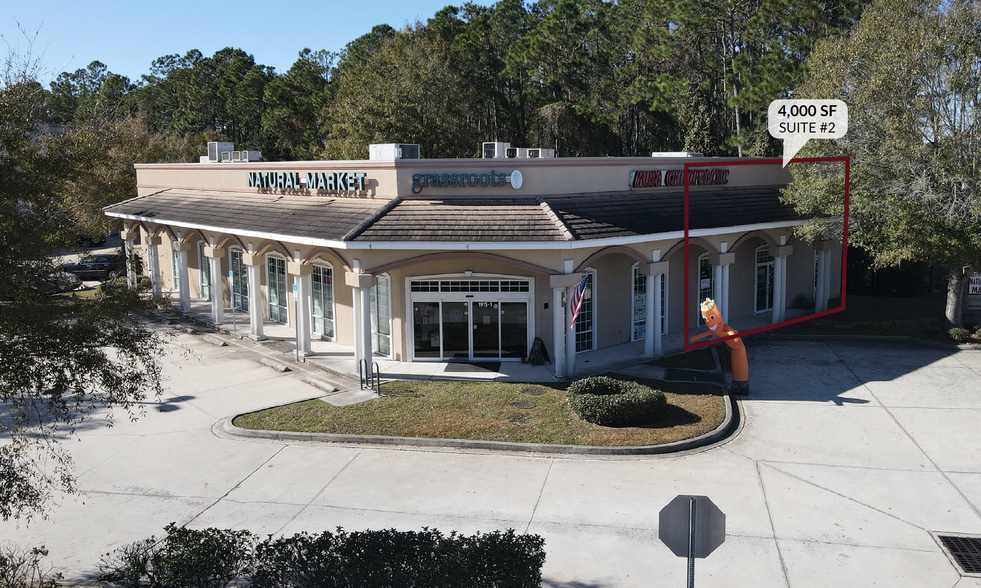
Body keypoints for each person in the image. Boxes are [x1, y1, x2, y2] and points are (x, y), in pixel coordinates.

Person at [689, 298, 749, 394]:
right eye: (705, 319)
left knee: (740, 365)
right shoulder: (715, 329)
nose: (708, 321)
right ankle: (737, 384)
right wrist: (695, 338)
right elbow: (705, 334)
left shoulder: (724, 327)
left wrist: (735, 337)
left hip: (738, 348)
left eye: (711, 318)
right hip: (734, 349)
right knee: (735, 365)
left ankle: (742, 385)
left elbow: (731, 331)